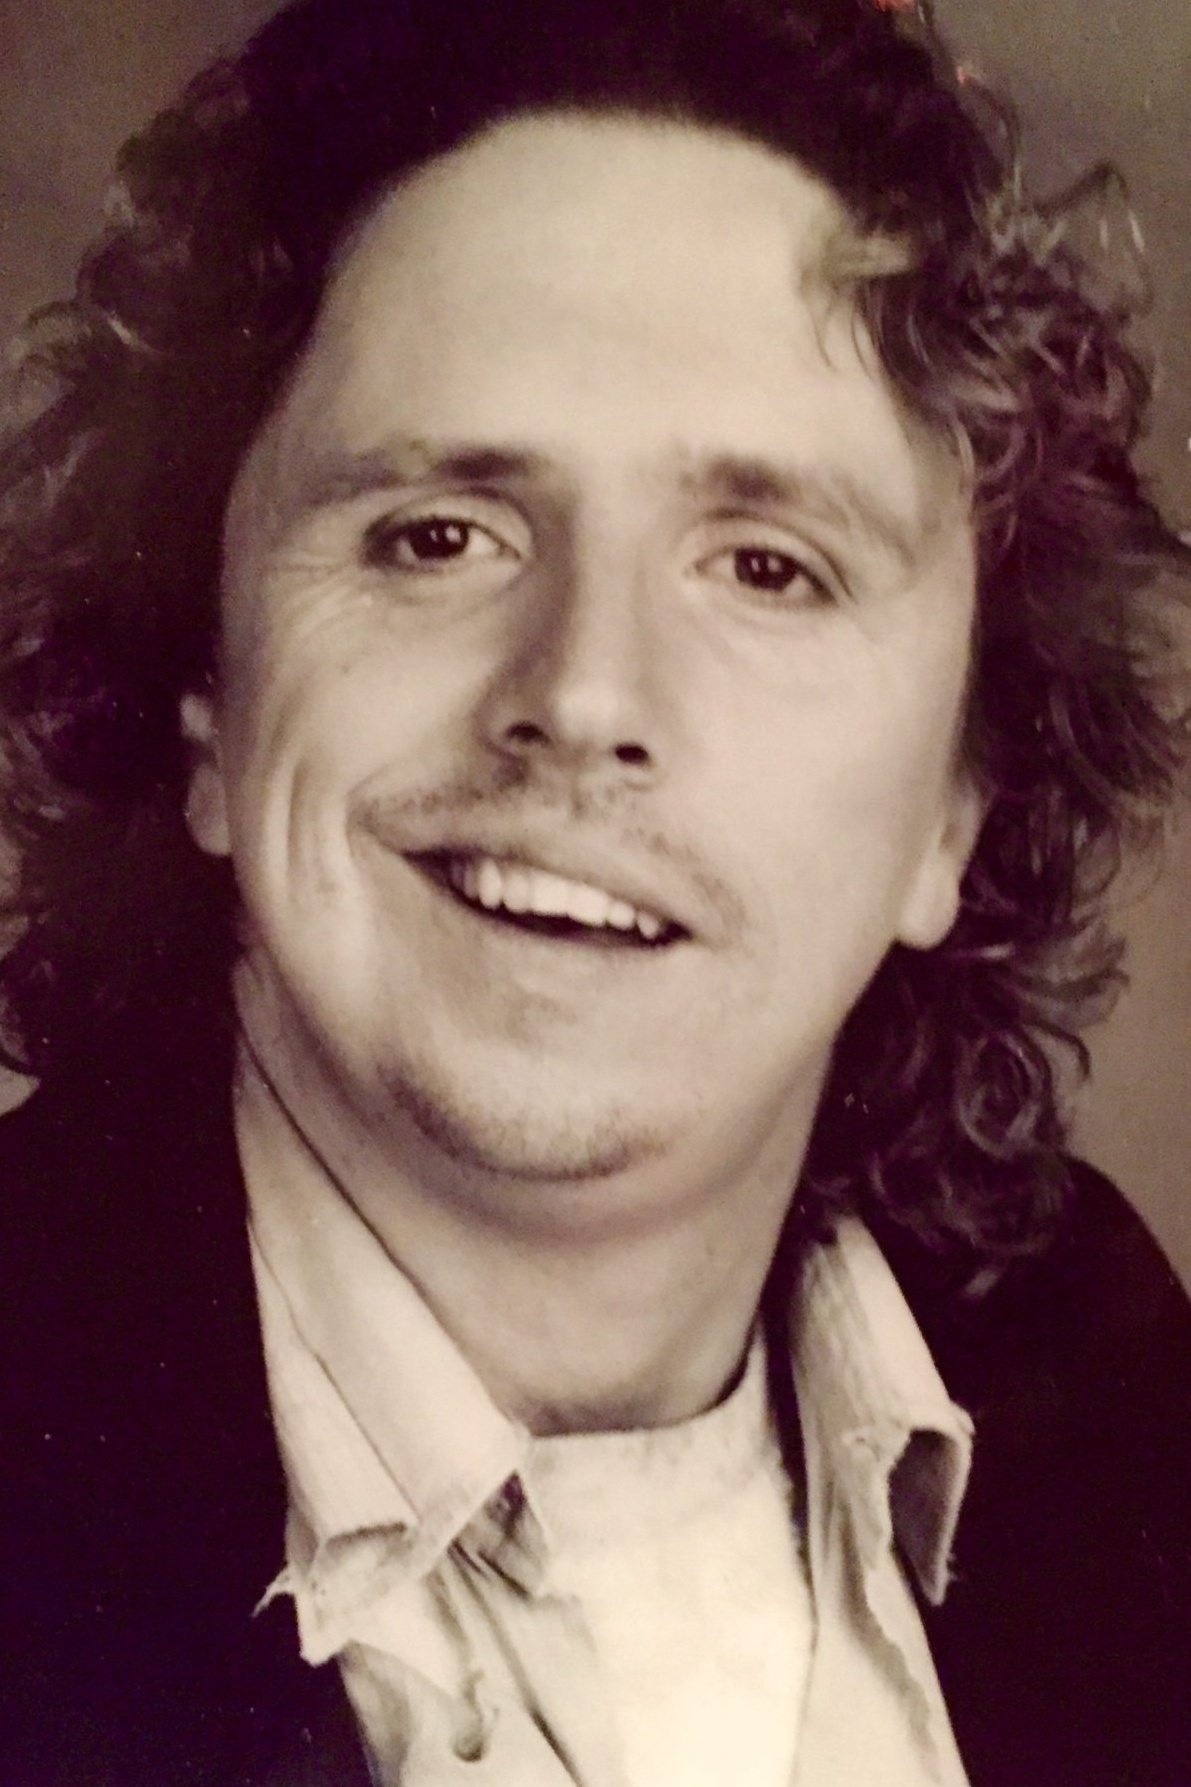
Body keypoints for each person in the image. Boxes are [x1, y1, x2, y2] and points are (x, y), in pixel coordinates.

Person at [1, 0, 1188, 1781]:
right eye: (438, 537)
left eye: (768, 568)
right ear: (206, 707)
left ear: (956, 812)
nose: (584, 692)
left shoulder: (1129, 1423)